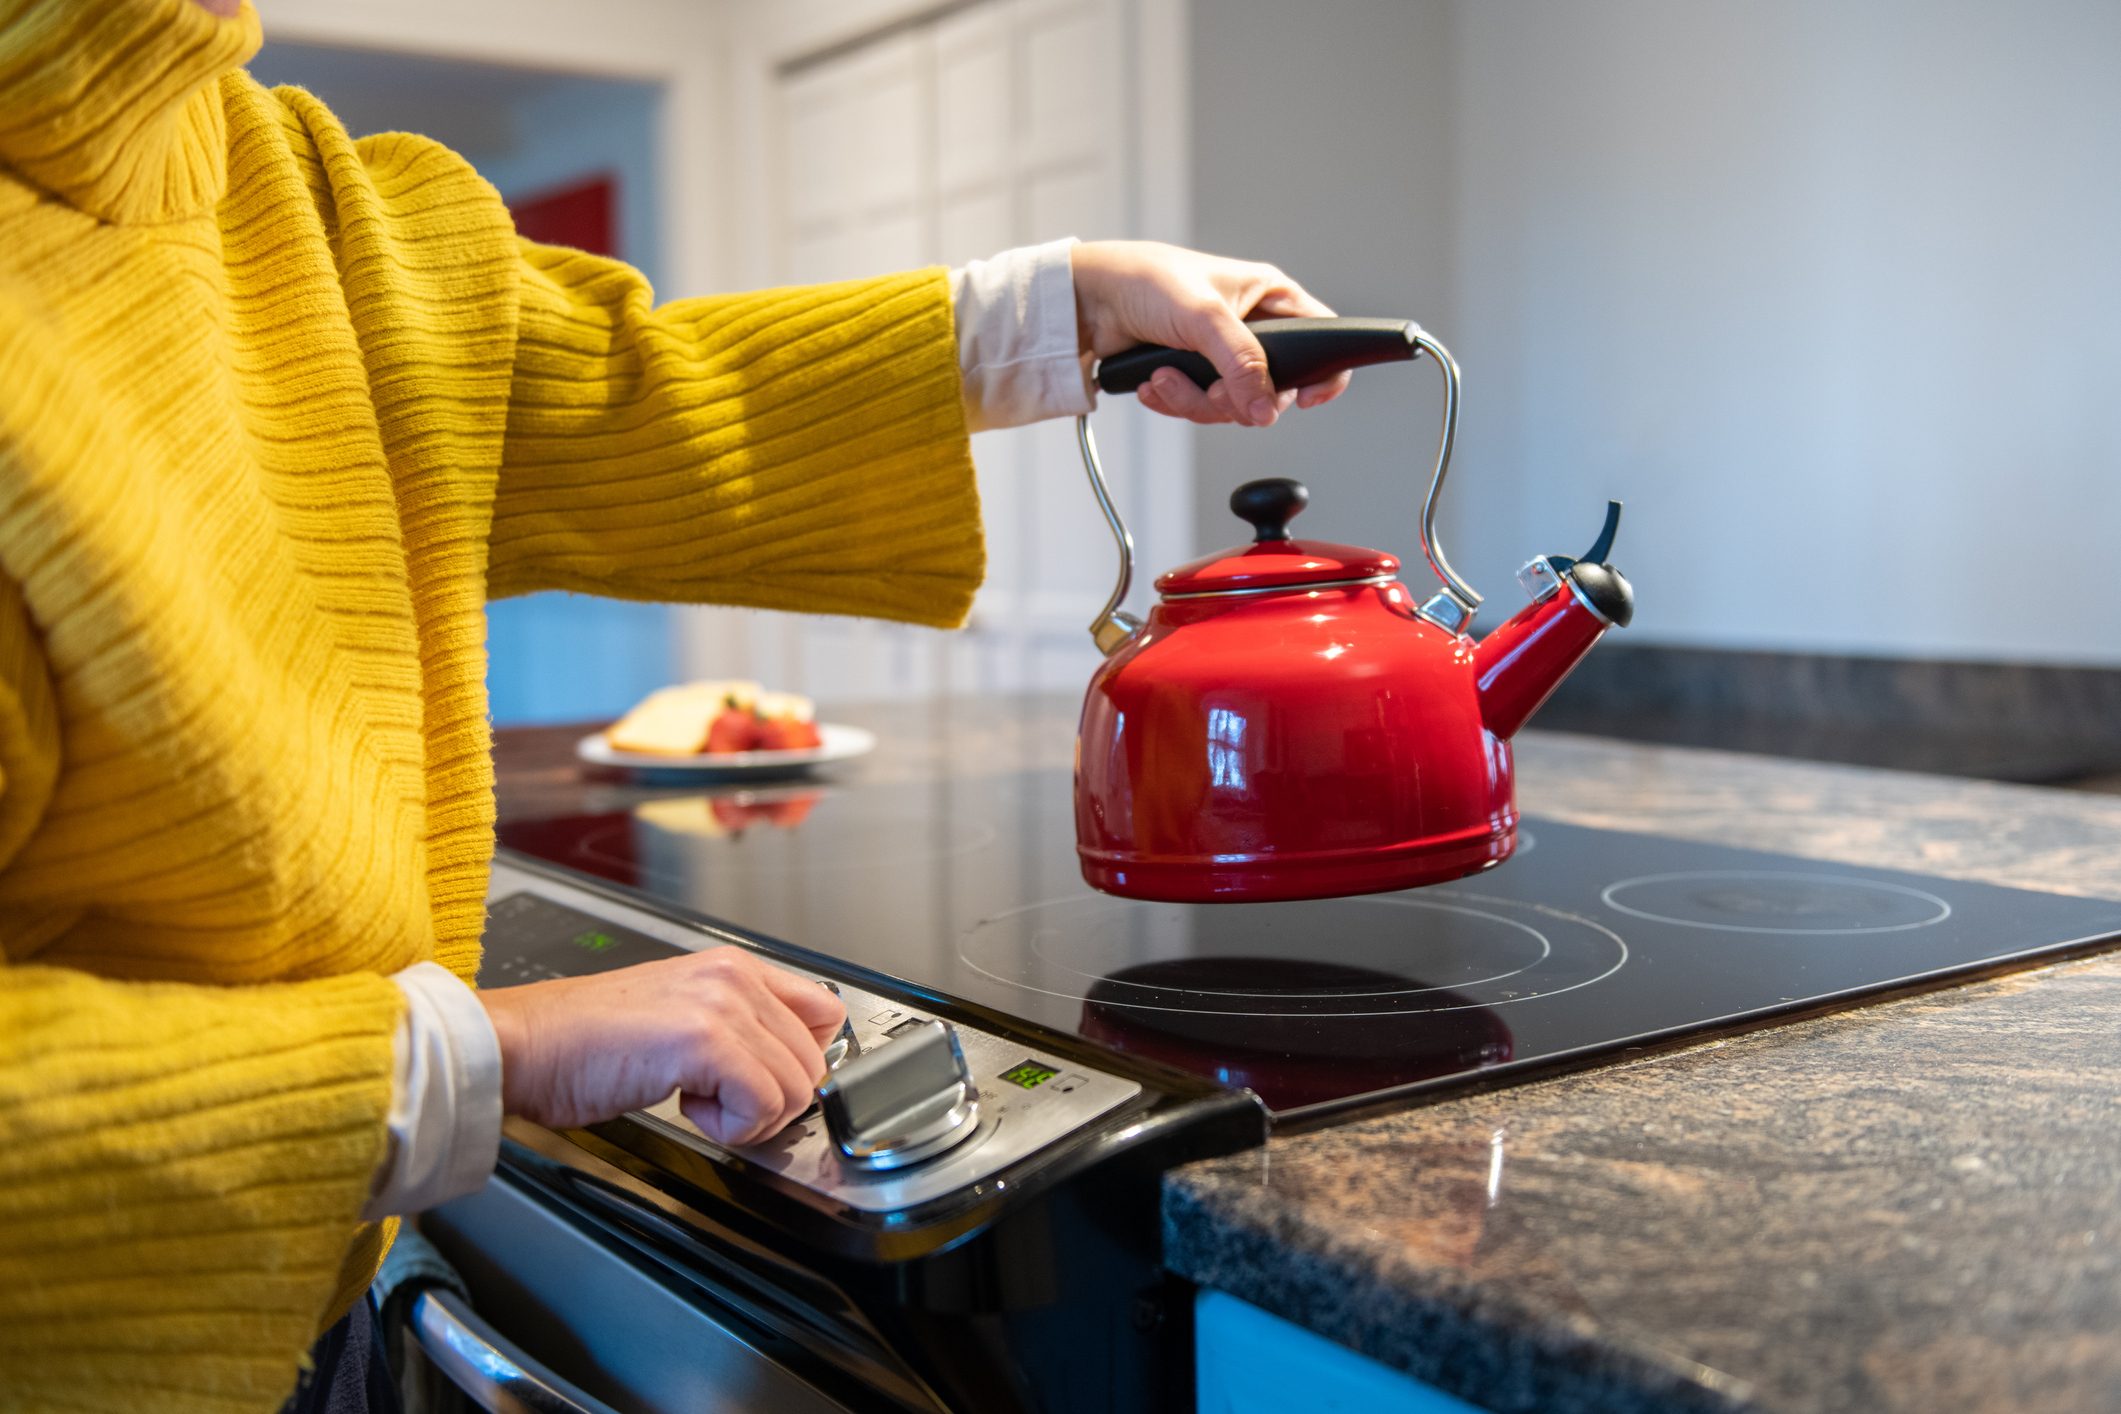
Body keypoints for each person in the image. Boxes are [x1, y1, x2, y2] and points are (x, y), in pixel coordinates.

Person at [0, 0, 1354, 1408]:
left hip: (290, 1289)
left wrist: (1061, 304)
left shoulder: (270, 175)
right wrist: (483, 1052)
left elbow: (618, 393)